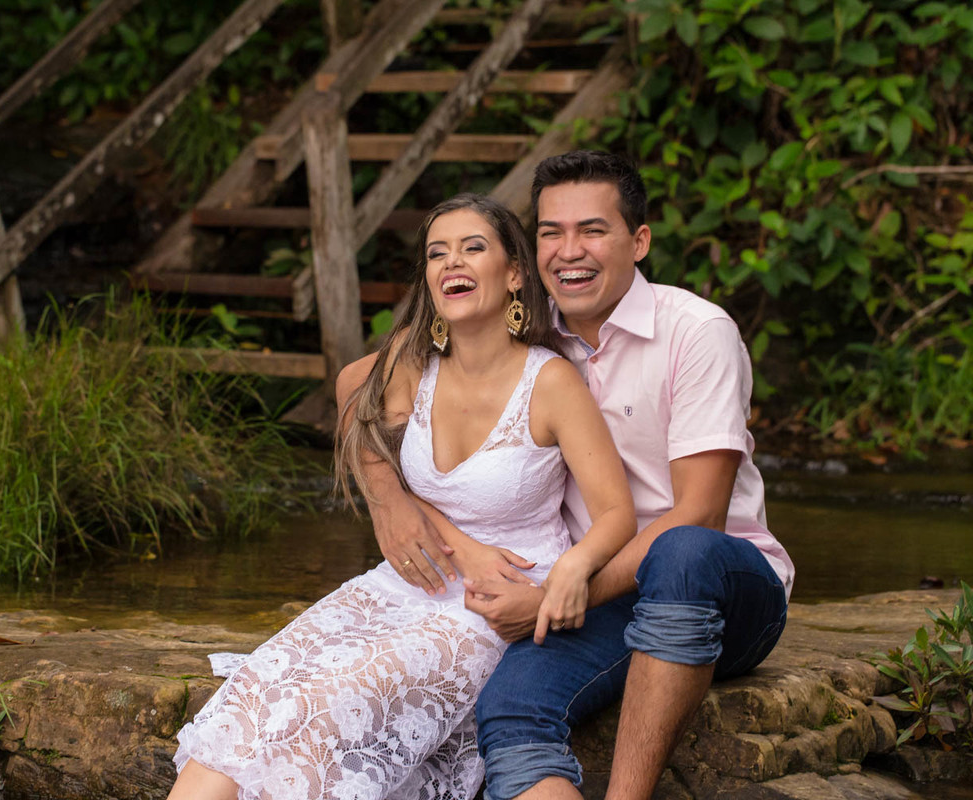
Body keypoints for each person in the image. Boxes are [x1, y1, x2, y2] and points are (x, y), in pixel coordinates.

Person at [341, 151, 794, 800]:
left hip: (721, 585)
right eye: (551, 232)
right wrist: (390, 501)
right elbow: (354, 385)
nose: (569, 251)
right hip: (594, 592)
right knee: (510, 705)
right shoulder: (519, 326)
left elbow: (700, 512)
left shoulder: (696, 332)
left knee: (682, 553)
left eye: (593, 230)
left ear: (639, 241)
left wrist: (558, 590)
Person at [165, 193, 636, 800]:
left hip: (495, 599)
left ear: (516, 273)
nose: (451, 263)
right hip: (405, 583)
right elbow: (349, 391)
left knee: (327, 705)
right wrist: (394, 504)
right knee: (254, 695)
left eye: (472, 248)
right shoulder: (416, 360)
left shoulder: (551, 381)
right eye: (437, 253)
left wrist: (572, 570)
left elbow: (616, 513)